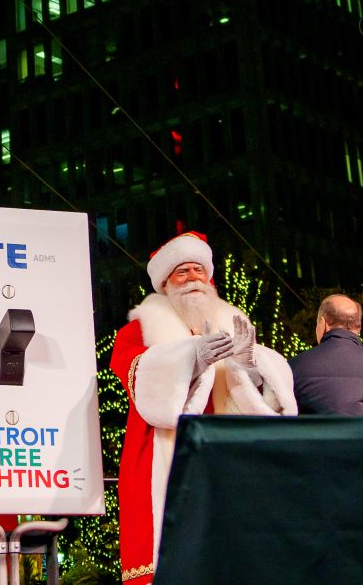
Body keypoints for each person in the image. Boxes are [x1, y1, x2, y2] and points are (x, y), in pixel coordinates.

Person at [108, 231, 297, 582]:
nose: (194, 277)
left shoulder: (234, 323)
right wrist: (189, 359)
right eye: (183, 271)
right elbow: (139, 380)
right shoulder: (138, 330)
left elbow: (268, 394)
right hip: (164, 454)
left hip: (225, 457)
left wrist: (249, 363)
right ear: (166, 282)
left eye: (199, 270)